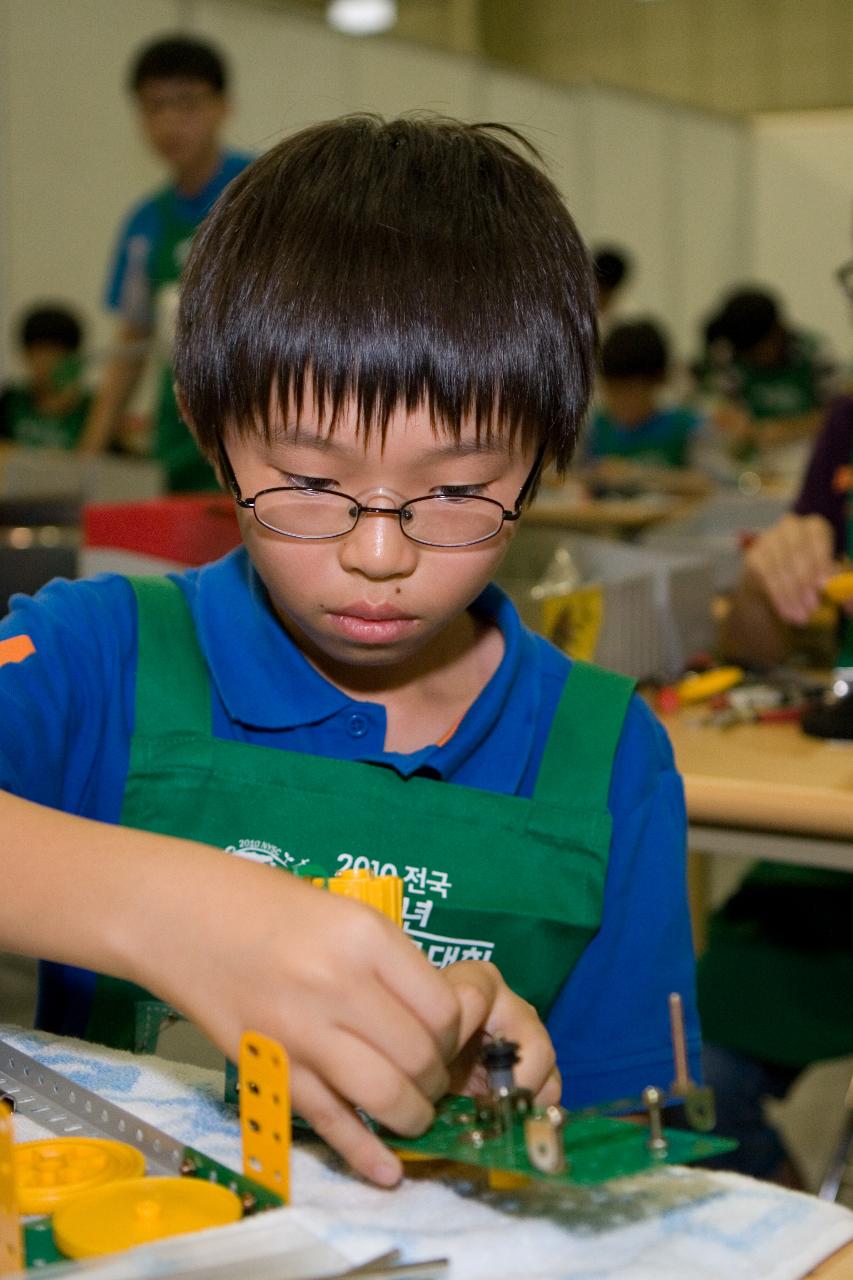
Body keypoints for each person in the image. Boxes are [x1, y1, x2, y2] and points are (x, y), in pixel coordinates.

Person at [0, 115, 699, 1184]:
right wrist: (180, 914)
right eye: (313, 483)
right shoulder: (95, 658)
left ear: (548, 454)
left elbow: (630, 1155)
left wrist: (505, 1110)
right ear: (207, 421)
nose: (380, 552)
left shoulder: (609, 757)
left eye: (460, 489)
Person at [702, 396, 853, 1182]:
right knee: (688, 1077)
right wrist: (764, 585)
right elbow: (754, 648)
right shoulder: (844, 426)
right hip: (823, 880)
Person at [78, 35, 252, 491]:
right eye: (154, 106)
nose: (170, 121)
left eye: (187, 103)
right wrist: (85, 465)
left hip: (257, 437)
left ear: (222, 106)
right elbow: (131, 345)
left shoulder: (263, 193)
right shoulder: (144, 223)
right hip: (177, 449)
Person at [699, 287, 838, 450]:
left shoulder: (815, 352)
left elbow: (837, 414)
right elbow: (722, 404)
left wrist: (787, 429)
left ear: (776, 334)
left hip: (809, 452)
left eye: (756, 351)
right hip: (755, 459)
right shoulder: (727, 356)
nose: (751, 359)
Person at [586, 319, 702, 468]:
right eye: (611, 390)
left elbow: (709, 482)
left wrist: (636, 474)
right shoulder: (597, 428)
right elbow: (562, 475)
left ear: (659, 381)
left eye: (630, 391)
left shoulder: (685, 427)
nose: (619, 400)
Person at [0, 305, 91, 449]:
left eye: (56, 352)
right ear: (25, 354)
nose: (47, 362)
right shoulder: (10, 400)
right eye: (40, 351)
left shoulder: (93, 409)